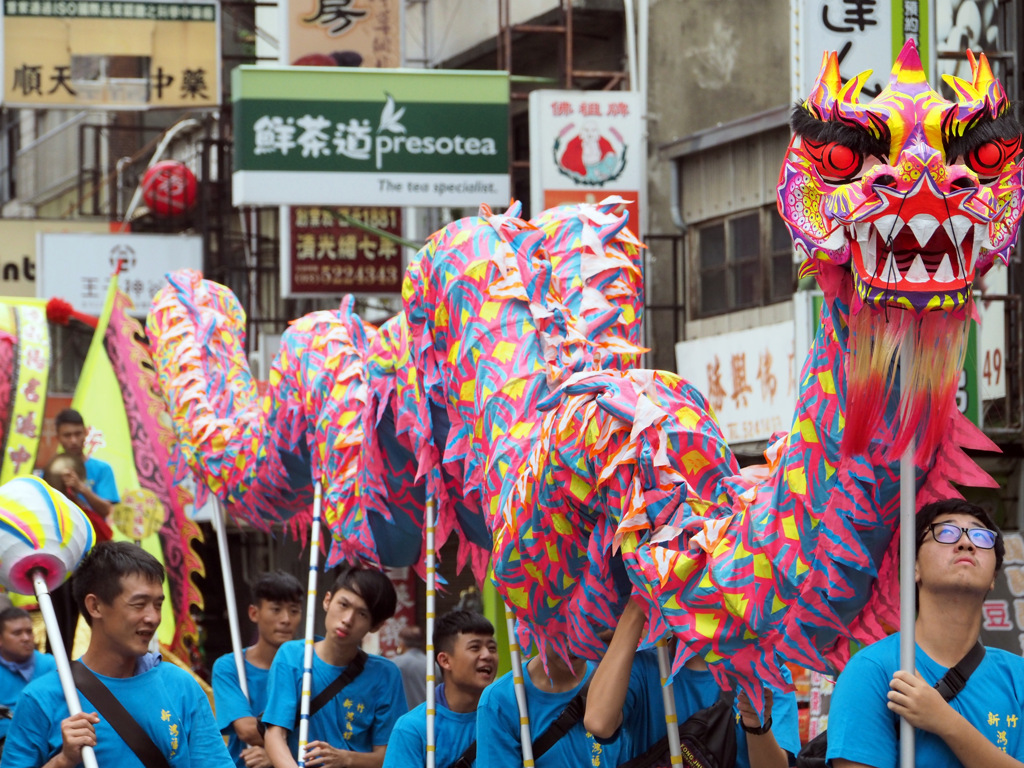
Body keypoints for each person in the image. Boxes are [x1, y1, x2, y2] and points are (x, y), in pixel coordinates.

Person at [827, 499, 1024, 768]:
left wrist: (946, 722)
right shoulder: (874, 671)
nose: (966, 544)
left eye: (980, 536)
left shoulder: (1017, 676)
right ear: (914, 568)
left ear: (993, 577)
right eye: (945, 533)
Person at [0, 541, 233, 768]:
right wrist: (63, 761)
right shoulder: (41, 698)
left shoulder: (181, 686)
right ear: (95, 606)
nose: (153, 618)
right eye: (139, 604)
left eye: (158, 605)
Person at [584, 599, 800, 768]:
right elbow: (598, 723)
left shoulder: (768, 672)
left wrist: (756, 727)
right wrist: (637, 603)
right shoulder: (645, 667)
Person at [262, 564, 406, 768]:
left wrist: (346, 758)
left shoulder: (385, 675)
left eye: (362, 614)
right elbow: (275, 734)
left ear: (376, 626)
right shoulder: (292, 656)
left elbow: (390, 755)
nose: (347, 620)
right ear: (327, 600)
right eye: (343, 605)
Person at [476, 642, 629, 768]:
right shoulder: (500, 700)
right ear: (536, 625)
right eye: (560, 630)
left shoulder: (619, 686)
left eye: (582, 628)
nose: (573, 644)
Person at [383, 611, 498, 768]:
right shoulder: (413, 729)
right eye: (475, 647)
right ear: (445, 660)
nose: (487, 655)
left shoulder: (507, 720)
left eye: (492, 648)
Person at [212, 571, 304, 768]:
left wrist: (274, 756)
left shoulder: (308, 667)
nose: (286, 619)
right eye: (276, 609)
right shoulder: (230, 667)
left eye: (294, 611)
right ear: (254, 613)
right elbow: (246, 730)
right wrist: (282, 746)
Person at [0, 607, 56, 753]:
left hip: (47, 741)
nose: (26, 638)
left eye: (29, 631)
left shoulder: (51, 665)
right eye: (17, 633)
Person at [54, 408, 119, 523]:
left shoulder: (103, 469)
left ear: (85, 433)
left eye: (78, 434)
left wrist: (80, 487)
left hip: (97, 538)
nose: (73, 440)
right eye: (67, 435)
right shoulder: (51, 472)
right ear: (58, 438)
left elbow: (106, 510)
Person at [392, 625, 428, 710]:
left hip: (402, 717)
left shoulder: (394, 664)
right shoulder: (433, 665)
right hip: (429, 717)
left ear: (402, 643)